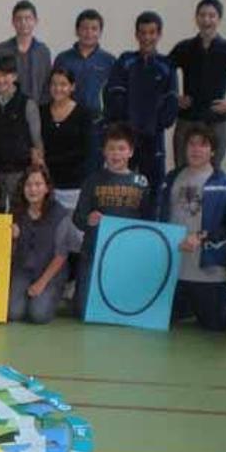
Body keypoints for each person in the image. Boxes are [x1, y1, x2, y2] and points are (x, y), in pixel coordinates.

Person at [158, 123, 226, 331]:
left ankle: (224, 294)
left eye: (203, 145)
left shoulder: (225, 184)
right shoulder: (171, 179)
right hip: (173, 270)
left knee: (216, 327)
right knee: (160, 321)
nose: (196, 149)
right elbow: (158, 217)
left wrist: (202, 237)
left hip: (207, 271)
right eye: (192, 144)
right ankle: (185, 305)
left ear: (213, 151)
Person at [72, 123, 152, 316]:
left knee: (124, 308)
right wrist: (88, 220)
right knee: (84, 311)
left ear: (131, 152)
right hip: (94, 252)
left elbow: (149, 221)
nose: (116, 154)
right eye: (111, 149)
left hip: (126, 254)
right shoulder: (92, 180)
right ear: (104, 152)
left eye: (121, 149)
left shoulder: (141, 183)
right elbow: (78, 218)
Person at [170, 0, 226, 168]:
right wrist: (175, 96)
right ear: (196, 18)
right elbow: (163, 72)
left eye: (211, 15)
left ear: (219, 19)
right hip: (188, 119)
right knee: (181, 169)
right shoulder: (184, 48)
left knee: (213, 171)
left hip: (216, 121)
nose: (206, 20)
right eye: (202, 15)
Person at [104, 11, 178, 201]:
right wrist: (127, 126)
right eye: (143, 32)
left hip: (154, 138)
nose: (147, 37)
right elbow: (114, 96)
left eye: (152, 32)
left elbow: (171, 103)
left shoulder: (167, 65)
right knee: (118, 186)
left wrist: (155, 124)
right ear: (136, 35)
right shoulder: (125, 61)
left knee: (153, 189)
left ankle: (149, 228)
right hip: (126, 137)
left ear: (159, 34)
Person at [9, 165, 81, 323]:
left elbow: (61, 255)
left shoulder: (60, 214)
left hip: (50, 272)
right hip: (22, 269)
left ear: (47, 188)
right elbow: (9, 253)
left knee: (38, 315)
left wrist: (41, 283)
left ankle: (52, 295)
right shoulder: (16, 212)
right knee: (13, 313)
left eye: (38, 184)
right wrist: (12, 238)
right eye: (28, 185)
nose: (33, 190)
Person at [53, 9, 116, 174]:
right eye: (84, 28)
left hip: (97, 126)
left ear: (100, 32)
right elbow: (55, 91)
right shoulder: (63, 59)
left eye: (94, 28)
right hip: (68, 125)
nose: (89, 33)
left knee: (94, 173)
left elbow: (113, 97)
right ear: (77, 30)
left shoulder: (109, 61)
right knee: (67, 170)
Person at [0, 55, 43, 209]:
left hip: (20, 171)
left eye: (5, 75)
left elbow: (37, 141)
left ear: (14, 76)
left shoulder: (28, 104)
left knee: (19, 214)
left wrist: (38, 170)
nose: (1, 80)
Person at [41, 67, 93, 210]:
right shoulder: (41, 111)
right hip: (46, 185)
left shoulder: (84, 114)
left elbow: (85, 150)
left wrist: (48, 160)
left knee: (72, 230)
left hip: (74, 185)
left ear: (72, 87)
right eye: (54, 84)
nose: (58, 88)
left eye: (63, 84)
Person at [0, 0, 53, 106]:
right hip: (7, 110)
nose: (23, 22)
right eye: (19, 19)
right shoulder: (1, 50)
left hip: (37, 110)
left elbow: (47, 85)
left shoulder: (43, 52)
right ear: (13, 22)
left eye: (28, 18)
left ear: (35, 21)